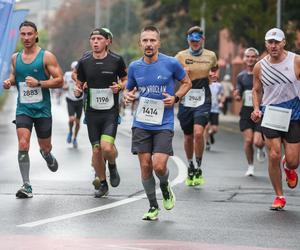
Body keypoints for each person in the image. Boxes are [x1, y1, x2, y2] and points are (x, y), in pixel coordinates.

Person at [123, 26, 191, 221]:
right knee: (145, 166)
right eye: (145, 40)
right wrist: (128, 96)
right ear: (140, 43)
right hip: (142, 122)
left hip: (164, 123)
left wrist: (176, 97)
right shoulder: (135, 66)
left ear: (158, 43)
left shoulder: (171, 63)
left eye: (152, 40)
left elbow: (187, 82)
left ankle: (165, 185)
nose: (149, 44)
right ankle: (153, 206)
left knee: (159, 166)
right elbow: (130, 90)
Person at [2, 21, 63, 198]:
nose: (26, 37)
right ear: (20, 35)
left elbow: (60, 80)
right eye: (23, 34)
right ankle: (26, 185)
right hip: (24, 109)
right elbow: (15, 75)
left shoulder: (46, 57)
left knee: (45, 147)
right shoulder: (15, 57)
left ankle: (47, 154)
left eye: (30, 34)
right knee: (23, 144)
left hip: (43, 110)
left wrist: (39, 83)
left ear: (36, 35)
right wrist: (9, 81)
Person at [74, 28, 127, 198]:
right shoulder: (84, 61)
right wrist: (78, 89)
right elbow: (79, 81)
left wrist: (119, 86)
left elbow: (126, 80)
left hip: (110, 112)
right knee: (96, 149)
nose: (95, 42)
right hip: (91, 111)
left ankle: (112, 165)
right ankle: (103, 183)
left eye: (99, 39)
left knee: (106, 147)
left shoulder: (116, 60)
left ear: (107, 41)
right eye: (92, 39)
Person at [251, 28, 300, 210]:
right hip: (270, 113)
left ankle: (288, 168)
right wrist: (256, 109)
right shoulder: (260, 66)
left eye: (277, 42)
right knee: (273, 155)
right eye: (270, 42)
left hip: (294, 113)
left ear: (284, 42)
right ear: (266, 44)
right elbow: (256, 90)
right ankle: (279, 196)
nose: (273, 46)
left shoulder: (296, 60)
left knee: (294, 160)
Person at [175, 26, 218, 186]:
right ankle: (190, 164)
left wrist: (213, 76)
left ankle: (199, 166)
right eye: (192, 41)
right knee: (188, 136)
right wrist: (181, 72)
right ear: (188, 40)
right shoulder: (180, 56)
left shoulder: (211, 55)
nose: (195, 43)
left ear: (202, 40)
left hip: (203, 98)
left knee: (199, 133)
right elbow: (172, 74)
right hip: (186, 99)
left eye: (197, 40)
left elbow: (214, 72)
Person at [233, 47, 266, 176]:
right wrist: (237, 95)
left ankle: (260, 148)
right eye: (248, 56)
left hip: (260, 111)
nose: (250, 59)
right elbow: (238, 92)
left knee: (257, 141)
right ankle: (250, 166)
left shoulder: (262, 73)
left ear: (257, 58)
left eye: (253, 56)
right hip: (246, 112)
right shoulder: (241, 76)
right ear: (244, 59)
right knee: (248, 140)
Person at [63, 61, 83, 148]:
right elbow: (64, 85)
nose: (75, 70)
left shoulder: (82, 76)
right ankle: (70, 131)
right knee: (71, 119)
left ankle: (75, 138)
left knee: (78, 122)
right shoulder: (67, 75)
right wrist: (65, 87)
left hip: (80, 100)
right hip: (70, 99)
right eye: (74, 68)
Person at [205, 69, 224, 151]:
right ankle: (207, 143)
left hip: (215, 109)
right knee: (206, 127)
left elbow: (222, 95)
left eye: (215, 74)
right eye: (212, 73)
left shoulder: (219, 85)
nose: (213, 75)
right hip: (206, 108)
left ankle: (210, 134)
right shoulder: (205, 85)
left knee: (215, 129)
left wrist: (222, 102)